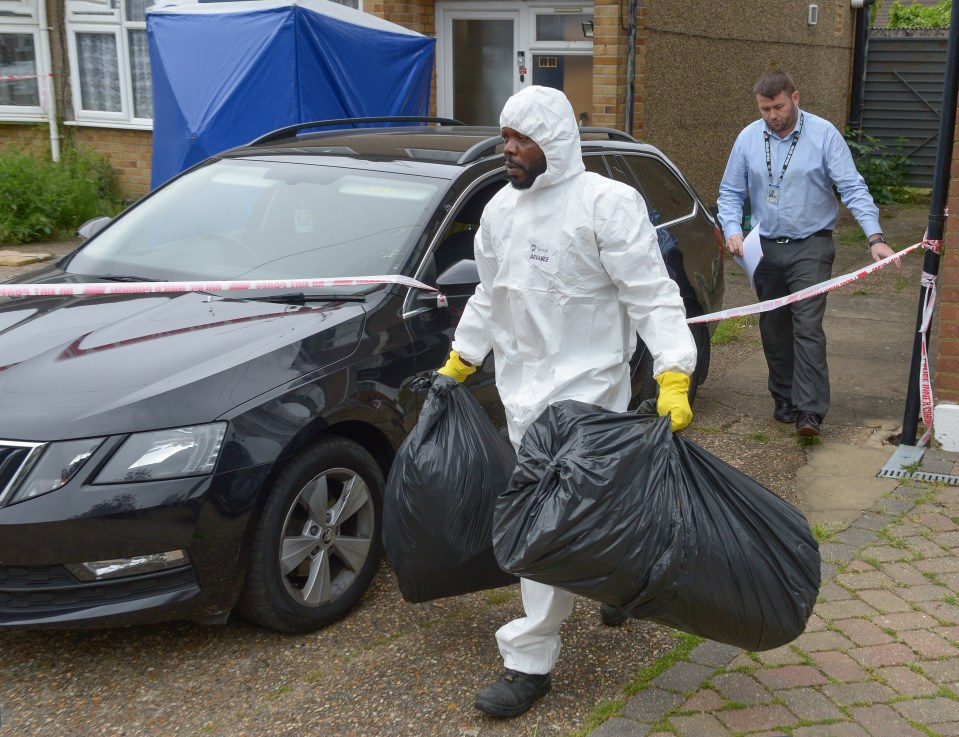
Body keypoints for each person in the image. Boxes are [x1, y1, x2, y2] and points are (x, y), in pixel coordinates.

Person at [435, 85, 697, 719]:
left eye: (520, 139)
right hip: (523, 404)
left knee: (547, 526)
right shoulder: (499, 212)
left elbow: (651, 294)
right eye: (504, 138)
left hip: (590, 403)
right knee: (577, 516)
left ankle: (528, 660)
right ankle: (618, 581)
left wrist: (674, 371)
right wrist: (461, 359)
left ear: (553, 142)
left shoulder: (606, 205)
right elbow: (488, 297)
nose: (509, 151)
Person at [717, 70, 896, 438]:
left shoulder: (824, 135)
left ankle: (810, 411)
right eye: (765, 109)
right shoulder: (749, 138)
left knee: (808, 326)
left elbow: (852, 187)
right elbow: (730, 192)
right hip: (764, 248)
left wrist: (875, 237)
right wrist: (733, 230)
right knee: (774, 325)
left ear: (795, 98)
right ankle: (783, 398)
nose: (772, 116)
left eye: (778, 107)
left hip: (812, 245)